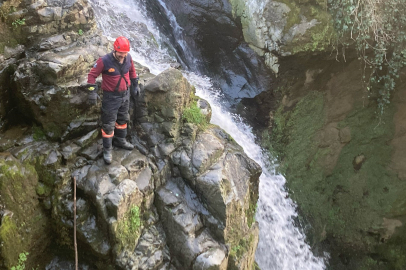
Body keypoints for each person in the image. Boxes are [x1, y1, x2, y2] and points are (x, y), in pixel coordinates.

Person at [87, 36, 140, 164]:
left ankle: (120, 140)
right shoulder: (104, 61)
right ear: (114, 50)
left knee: (123, 119)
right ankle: (107, 150)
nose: (123, 56)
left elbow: (132, 71)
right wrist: (91, 92)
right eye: (120, 54)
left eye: (125, 54)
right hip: (110, 97)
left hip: (125, 95)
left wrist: (135, 85)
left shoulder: (128, 58)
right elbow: (91, 76)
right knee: (108, 123)